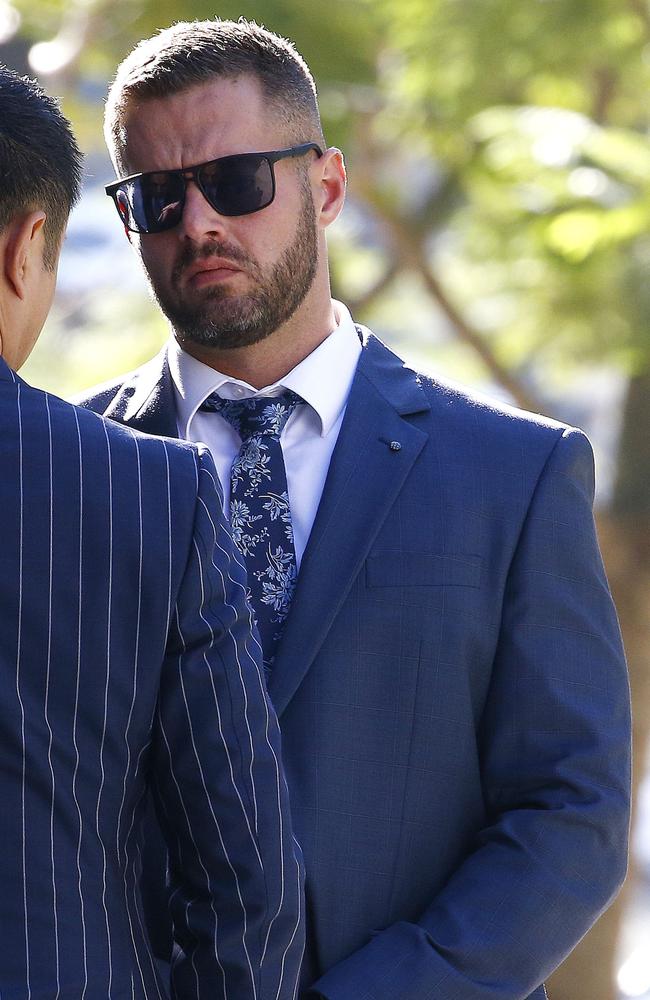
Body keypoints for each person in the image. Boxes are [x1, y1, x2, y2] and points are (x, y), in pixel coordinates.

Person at [77, 18, 631, 1000]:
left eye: (237, 180)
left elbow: (568, 806)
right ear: (126, 221)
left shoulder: (515, 474)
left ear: (325, 186)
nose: (197, 222)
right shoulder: (59, 475)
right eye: (159, 197)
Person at [0, 65, 304, 1000]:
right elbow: (245, 886)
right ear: (25, 245)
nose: (201, 222)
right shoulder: (148, 491)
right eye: (161, 198)